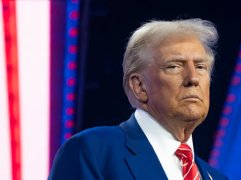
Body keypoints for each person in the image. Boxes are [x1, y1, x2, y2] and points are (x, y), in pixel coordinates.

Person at [49, 18, 227, 180]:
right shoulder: (93, 151)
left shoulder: (217, 178)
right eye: (174, 66)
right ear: (139, 86)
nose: (193, 78)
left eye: (200, 67)